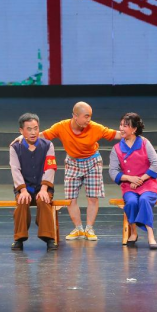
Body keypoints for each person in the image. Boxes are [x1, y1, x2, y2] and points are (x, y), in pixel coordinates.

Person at [39, 101, 121, 241]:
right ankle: (78, 228)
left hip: (92, 161)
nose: (89, 119)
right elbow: (42, 135)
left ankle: (89, 228)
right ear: (75, 116)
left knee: (92, 197)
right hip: (72, 162)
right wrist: (23, 137)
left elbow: (116, 135)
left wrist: (133, 132)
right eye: (86, 116)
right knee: (70, 198)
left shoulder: (95, 127)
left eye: (90, 116)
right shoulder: (61, 126)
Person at [108, 112, 157, 249]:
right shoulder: (116, 148)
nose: (121, 128)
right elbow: (113, 171)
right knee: (131, 202)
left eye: (125, 126)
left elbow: (156, 164)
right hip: (129, 185)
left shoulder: (144, 143)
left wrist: (141, 179)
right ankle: (134, 232)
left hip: (147, 183)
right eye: (120, 125)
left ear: (134, 129)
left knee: (144, 200)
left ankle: (150, 234)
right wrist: (129, 178)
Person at [10, 113, 58, 251]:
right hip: (24, 188)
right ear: (21, 131)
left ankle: (49, 238)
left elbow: (50, 168)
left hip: (43, 187)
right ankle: (19, 238)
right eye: (29, 129)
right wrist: (23, 190)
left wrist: (44, 189)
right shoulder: (15, 147)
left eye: (36, 128)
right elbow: (15, 169)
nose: (33, 132)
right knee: (22, 201)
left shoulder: (48, 145)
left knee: (43, 200)